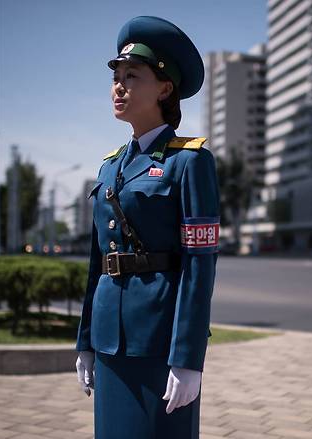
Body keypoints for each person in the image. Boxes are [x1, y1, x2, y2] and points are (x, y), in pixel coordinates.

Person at [74, 15, 220, 439]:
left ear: (164, 88)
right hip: (109, 337)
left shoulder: (189, 162)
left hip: (160, 340)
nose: (119, 86)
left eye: (132, 76)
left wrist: (189, 357)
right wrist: (84, 339)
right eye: (116, 76)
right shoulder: (108, 167)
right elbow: (96, 263)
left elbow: (199, 265)